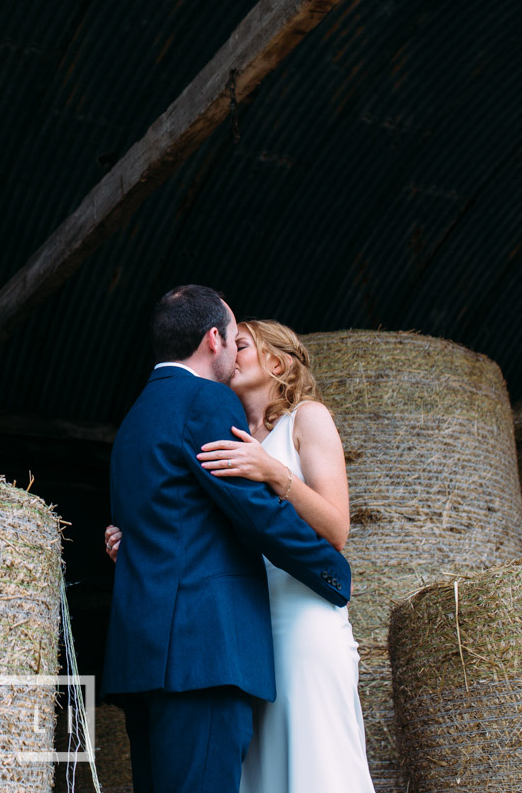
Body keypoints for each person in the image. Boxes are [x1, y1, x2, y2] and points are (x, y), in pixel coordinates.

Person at [106, 318, 375, 793]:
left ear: (279, 361)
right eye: (231, 341)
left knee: (314, 764)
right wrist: (139, 540)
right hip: (242, 627)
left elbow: (336, 530)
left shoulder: (307, 418)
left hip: (299, 617)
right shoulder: (220, 425)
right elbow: (191, 518)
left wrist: (274, 472)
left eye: (243, 344)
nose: (231, 352)